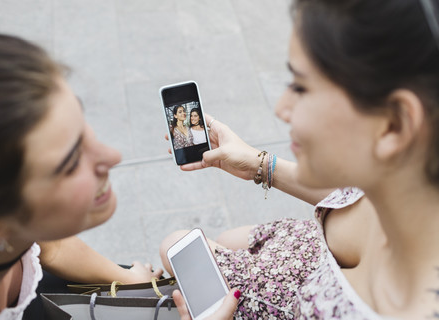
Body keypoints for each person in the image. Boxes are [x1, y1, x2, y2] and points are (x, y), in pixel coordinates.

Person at [162, 0, 439, 318]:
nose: (281, 108)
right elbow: (344, 205)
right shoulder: (401, 189)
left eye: (300, 87)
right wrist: (259, 164)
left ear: (395, 124)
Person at [0, 33, 163, 320]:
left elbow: (46, 245)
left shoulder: (5, 232)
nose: (113, 156)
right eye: (70, 162)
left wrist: (125, 280)